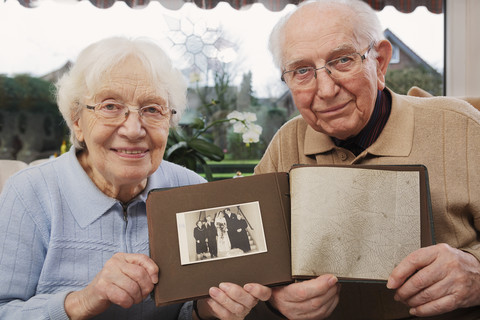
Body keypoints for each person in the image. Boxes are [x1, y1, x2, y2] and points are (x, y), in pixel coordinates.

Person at [0, 37, 271, 320]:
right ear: (77, 121)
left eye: (152, 109)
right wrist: (83, 300)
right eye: (110, 106)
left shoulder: (191, 191)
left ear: (169, 122)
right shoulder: (29, 193)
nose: (132, 129)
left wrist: (208, 310)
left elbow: (193, 308)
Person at [253, 0, 480, 319]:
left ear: (381, 61)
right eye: (302, 71)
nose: (327, 89)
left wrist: (476, 274)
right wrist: (274, 296)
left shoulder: (461, 127)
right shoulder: (286, 142)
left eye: (343, 60)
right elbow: (254, 260)